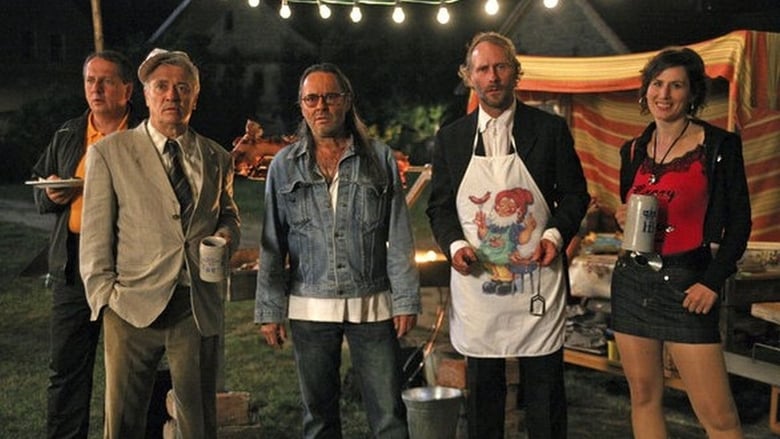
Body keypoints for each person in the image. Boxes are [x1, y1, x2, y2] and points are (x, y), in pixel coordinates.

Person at [426, 32, 590, 439]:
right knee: (483, 394)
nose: (493, 77)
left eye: (501, 66)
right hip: (478, 285)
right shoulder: (451, 138)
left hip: (538, 279)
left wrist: (554, 235)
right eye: (483, 69)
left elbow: (575, 194)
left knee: (545, 393)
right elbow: (440, 207)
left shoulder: (549, 130)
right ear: (469, 77)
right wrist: (456, 245)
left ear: (516, 72)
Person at [79, 48, 240, 439]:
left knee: (198, 422)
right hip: (130, 306)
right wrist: (105, 296)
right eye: (162, 86)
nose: (172, 95)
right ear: (146, 96)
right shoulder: (109, 153)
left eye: (182, 87)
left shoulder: (217, 157)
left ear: (195, 97)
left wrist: (225, 237)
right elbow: (95, 235)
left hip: (194, 304)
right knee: (123, 421)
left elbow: (228, 216)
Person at [255, 63, 420, 438]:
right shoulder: (284, 166)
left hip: (372, 306)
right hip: (309, 307)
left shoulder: (379, 158)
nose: (321, 106)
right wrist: (270, 310)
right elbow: (272, 242)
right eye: (311, 98)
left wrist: (406, 300)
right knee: (319, 420)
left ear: (347, 101)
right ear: (301, 106)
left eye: (330, 97)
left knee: (390, 416)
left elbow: (399, 233)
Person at [611, 47, 750, 439]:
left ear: (692, 93)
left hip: (689, 284)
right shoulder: (633, 150)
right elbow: (633, 210)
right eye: (657, 84)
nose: (664, 94)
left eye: (676, 85)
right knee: (643, 396)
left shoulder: (718, 146)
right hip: (633, 281)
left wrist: (712, 282)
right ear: (646, 90)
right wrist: (624, 217)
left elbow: (740, 224)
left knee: (718, 415)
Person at [30, 50, 139, 439]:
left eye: (106, 81)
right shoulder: (68, 133)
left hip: (128, 266)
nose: (96, 89)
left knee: (132, 370)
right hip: (73, 266)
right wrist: (50, 193)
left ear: (127, 90)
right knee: (66, 369)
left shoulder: (143, 135)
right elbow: (39, 184)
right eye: (91, 81)